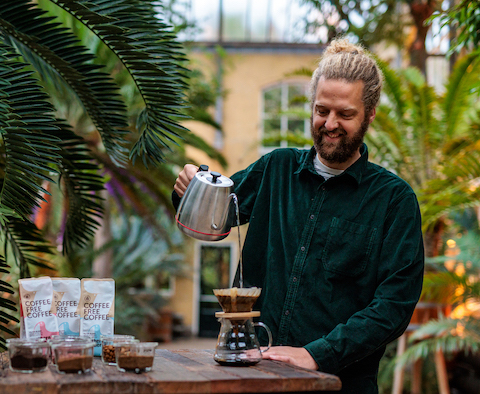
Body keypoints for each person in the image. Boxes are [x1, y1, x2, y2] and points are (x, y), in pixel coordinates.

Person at [173, 38, 425, 393]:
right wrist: (189, 188)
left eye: (345, 114)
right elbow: (213, 218)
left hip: (341, 383)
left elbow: (394, 306)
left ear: (369, 114)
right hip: (253, 375)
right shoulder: (274, 170)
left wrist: (317, 354)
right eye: (322, 110)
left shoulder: (394, 201)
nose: (330, 123)